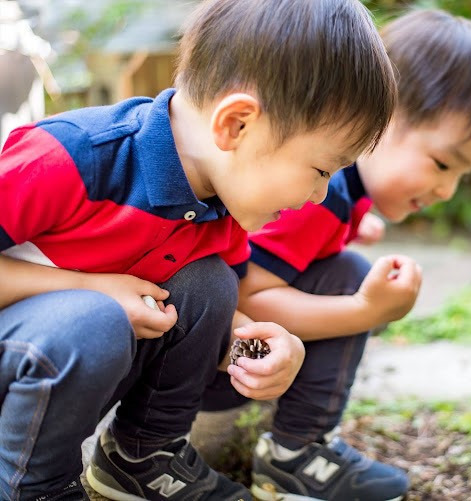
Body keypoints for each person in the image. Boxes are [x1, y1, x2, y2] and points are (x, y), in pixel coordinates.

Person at [0, 0, 396, 499]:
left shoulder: (218, 207)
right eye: (320, 171)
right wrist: (90, 288)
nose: (319, 197)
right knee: (95, 319)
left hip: (62, 364)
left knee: (211, 284)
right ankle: (34, 487)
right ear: (236, 125)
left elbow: (205, 320)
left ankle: (145, 458)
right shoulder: (70, 157)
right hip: (25, 358)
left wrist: (260, 346)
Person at [200, 8, 471, 501]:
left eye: (461, 175)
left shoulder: (337, 194)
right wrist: (364, 311)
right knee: (349, 277)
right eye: (441, 163)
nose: (447, 189)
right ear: (380, 118)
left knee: (343, 264)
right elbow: (249, 299)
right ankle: (295, 454)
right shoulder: (314, 196)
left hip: (217, 359)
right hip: (206, 371)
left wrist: (345, 230)